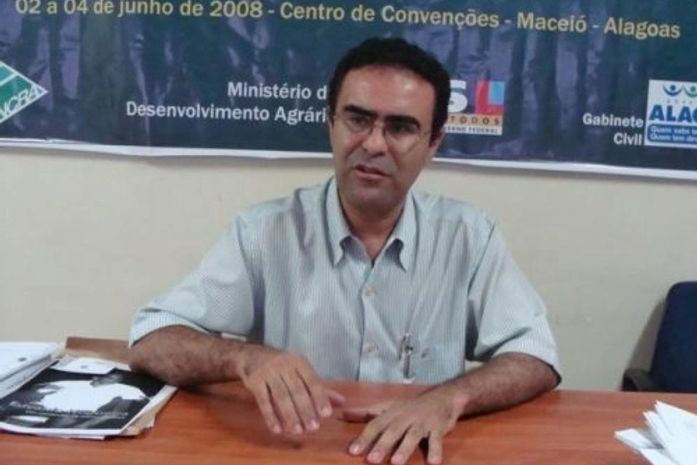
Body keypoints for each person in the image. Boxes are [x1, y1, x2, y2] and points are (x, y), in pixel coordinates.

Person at [129, 37, 560, 465]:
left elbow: (536, 355)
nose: (374, 144)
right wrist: (246, 359)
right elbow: (152, 339)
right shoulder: (264, 232)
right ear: (330, 124)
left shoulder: (469, 237)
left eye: (401, 127)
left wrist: (449, 399)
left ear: (433, 143)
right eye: (358, 119)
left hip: (416, 454)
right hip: (295, 451)